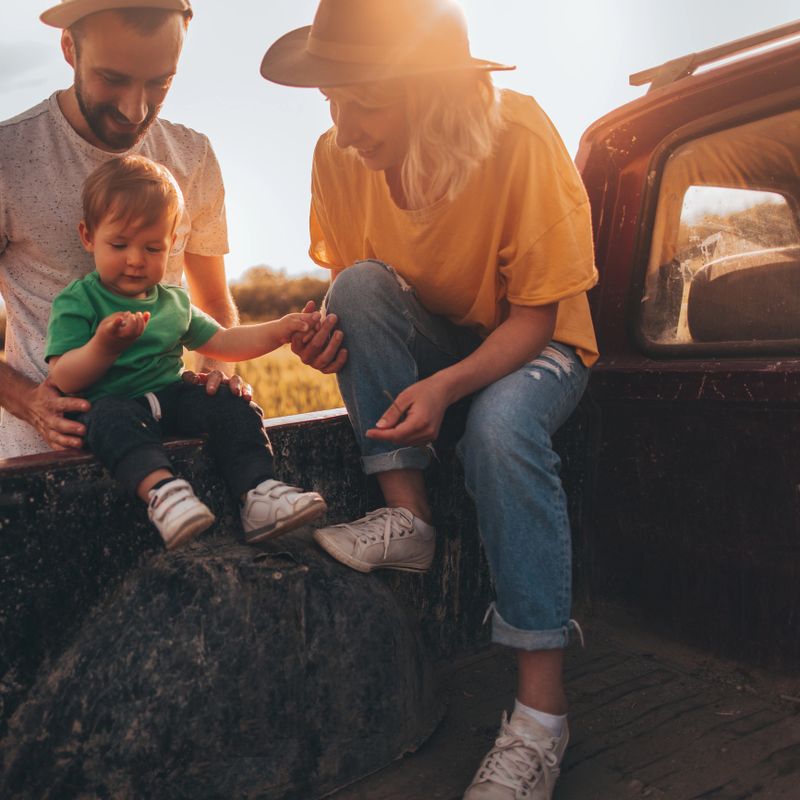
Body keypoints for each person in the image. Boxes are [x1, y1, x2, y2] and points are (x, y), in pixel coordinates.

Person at [260, 1, 599, 797]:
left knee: (498, 427)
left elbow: (534, 318)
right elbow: (369, 297)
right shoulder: (339, 156)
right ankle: (406, 516)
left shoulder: (518, 138)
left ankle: (541, 718)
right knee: (354, 286)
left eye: (364, 102)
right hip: (443, 339)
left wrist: (447, 387)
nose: (344, 128)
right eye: (330, 100)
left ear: (434, 94)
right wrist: (327, 335)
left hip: (536, 344)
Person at [0, 0, 243, 460]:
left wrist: (215, 372)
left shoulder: (194, 155)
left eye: (160, 82)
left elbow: (211, 302)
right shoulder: (7, 157)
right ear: (70, 49)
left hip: (178, 455)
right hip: (43, 463)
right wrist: (28, 401)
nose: (135, 110)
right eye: (113, 79)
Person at [45, 154, 327, 549]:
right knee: (108, 421)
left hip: (171, 398)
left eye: (152, 248)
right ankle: (164, 495)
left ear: (172, 244)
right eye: (119, 244)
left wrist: (280, 330)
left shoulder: (172, 303)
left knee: (230, 401)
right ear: (88, 236)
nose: (135, 260)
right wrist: (103, 346)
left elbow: (224, 342)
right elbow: (64, 377)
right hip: (111, 402)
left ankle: (260, 493)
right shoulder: (80, 301)